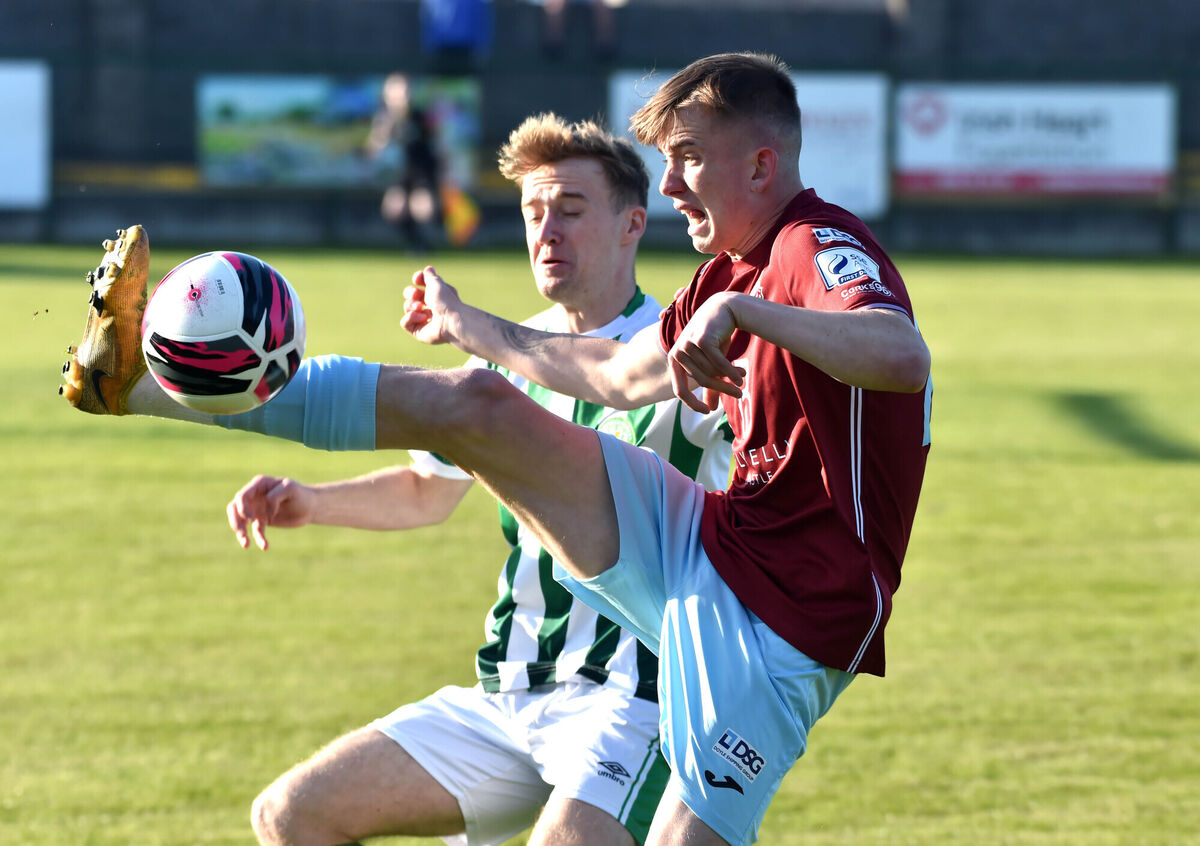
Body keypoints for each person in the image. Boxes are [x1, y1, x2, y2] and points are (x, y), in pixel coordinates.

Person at [61, 53, 932, 845]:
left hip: (783, 628)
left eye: (689, 158)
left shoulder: (816, 246)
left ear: (762, 166)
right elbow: (621, 376)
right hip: (708, 547)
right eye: (663, 162)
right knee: (476, 403)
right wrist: (471, 328)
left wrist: (748, 316)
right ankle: (132, 385)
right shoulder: (723, 276)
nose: (671, 185)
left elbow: (901, 355)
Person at [365, 72, 443, 253]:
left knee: (424, 209)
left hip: (423, 171)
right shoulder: (384, 120)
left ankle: (428, 241)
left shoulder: (420, 117)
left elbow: (436, 143)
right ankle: (416, 244)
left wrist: (442, 171)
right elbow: (374, 148)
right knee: (393, 209)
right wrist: (381, 137)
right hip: (401, 174)